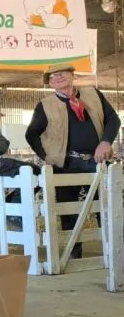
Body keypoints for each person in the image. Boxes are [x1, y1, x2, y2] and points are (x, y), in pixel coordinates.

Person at [25, 62, 119, 257]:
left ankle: (115, 252)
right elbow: (32, 134)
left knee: (108, 205)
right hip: (66, 165)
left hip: (96, 161)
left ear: (72, 75)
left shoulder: (93, 94)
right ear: (50, 83)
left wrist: (106, 142)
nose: (58, 78)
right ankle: (73, 255)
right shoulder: (45, 105)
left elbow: (113, 119)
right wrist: (49, 156)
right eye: (52, 77)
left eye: (62, 74)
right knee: (68, 211)